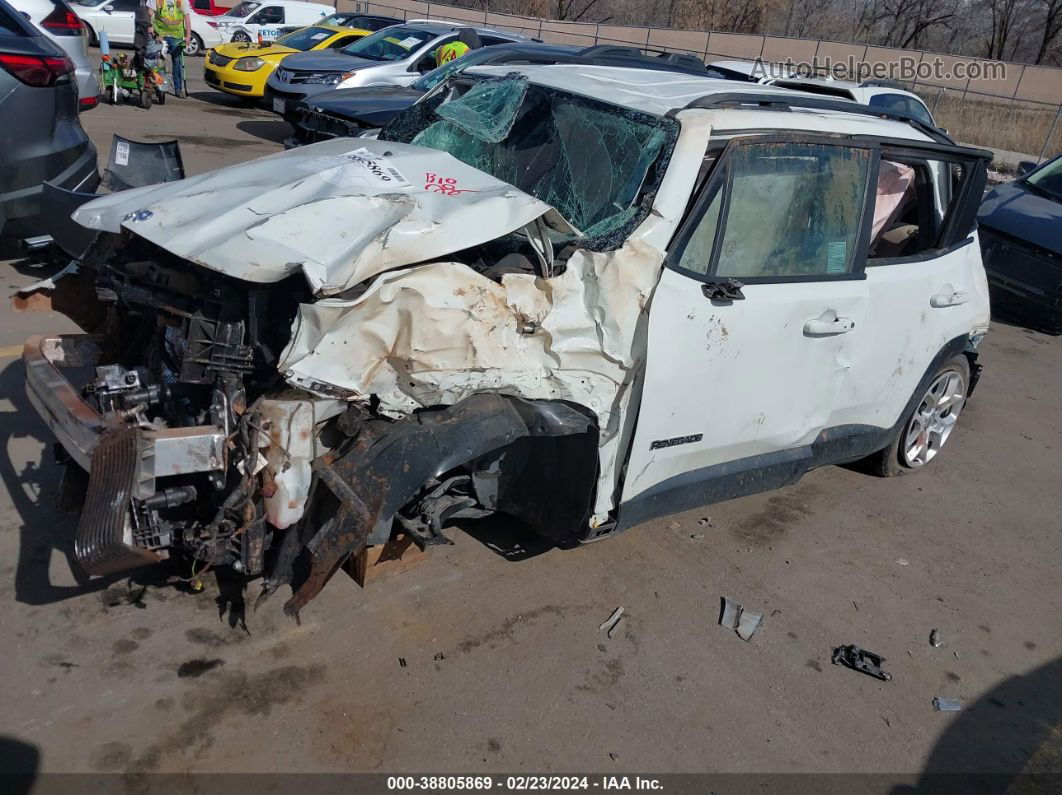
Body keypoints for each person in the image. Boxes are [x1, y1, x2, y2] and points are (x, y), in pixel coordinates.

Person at [152, 0, 190, 96]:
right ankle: (158, 85)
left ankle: (178, 89)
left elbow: (187, 16)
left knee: (177, 61)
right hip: (160, 34)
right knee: (158, 61)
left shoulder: (182, 1)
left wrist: (188, 35)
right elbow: (149, 12)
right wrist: (150, 27)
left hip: (176, 36)